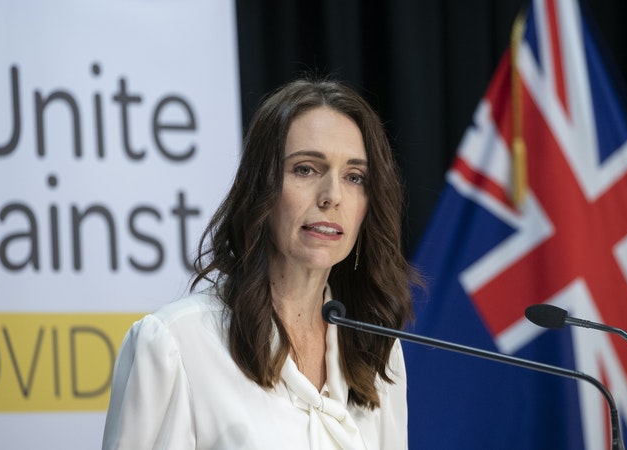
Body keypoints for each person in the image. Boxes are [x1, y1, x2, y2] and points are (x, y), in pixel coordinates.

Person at [102, 77, 421, 449]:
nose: (332, 196)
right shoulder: (177, 345)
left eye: (354, 177)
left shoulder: (377, 351)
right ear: (260, 188)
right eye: (306, 169)